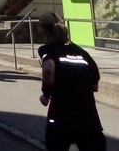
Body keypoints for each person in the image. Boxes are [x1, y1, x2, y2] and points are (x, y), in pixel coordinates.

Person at [38, 12, 106, 151]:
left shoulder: (47, 49)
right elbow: (95, 84)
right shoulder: (81, 52)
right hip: (88, 115)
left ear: (43, 30)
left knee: (56, 145)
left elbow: (49, 67)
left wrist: (46, 94)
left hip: (61, 114)